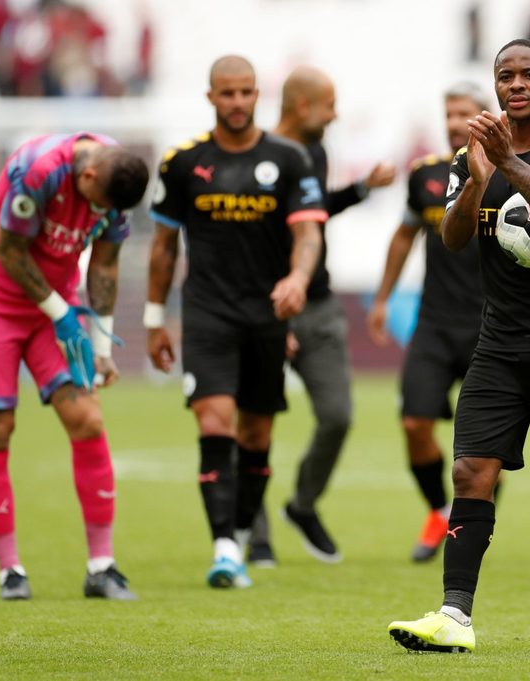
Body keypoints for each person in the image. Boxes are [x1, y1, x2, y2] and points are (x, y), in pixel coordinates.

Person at [388, 39, 530, 654]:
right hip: (498, 341)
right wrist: (474, 182)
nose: (516, 84)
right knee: (470, 470)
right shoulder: (471, 158)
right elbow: (455, 239)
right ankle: (454, 617)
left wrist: (508, 165)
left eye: (528, 74)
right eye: (505, 76)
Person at [145, 55, 324, 589]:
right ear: (211, 97)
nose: (238, 102)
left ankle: (242, 531)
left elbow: (309, 233)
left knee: (256, 434)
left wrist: (297, 278)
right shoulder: (182, 163)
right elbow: (161, 247)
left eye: (246, 92)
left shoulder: (289, 158)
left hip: (267, 316)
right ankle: (224, 545)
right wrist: (156, 319)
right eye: (228, 93)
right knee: (215, 422)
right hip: (207, 314)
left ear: (257, 95)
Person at [0, 132, 149, 600]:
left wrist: (101, 344)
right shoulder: (38, 171)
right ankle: (11, 572)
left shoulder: (116, 182)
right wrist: (63, 313)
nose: (99, 215)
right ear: (85, 176)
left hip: (53, 309)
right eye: (97, 204)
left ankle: (101, 567)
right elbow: (10, 251)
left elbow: (104, 263)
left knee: (87, 420)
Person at [255, 65, 395, 565]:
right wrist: (269, 315)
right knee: (255, 425)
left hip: (317, 303)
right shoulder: (257, 156)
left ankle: (303, 505)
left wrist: (360, 189)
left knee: (337, 416)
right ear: (302, 106)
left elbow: (310, 217)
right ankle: (254, 535)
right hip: (263, 309)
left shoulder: (313, 151)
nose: (336, 115)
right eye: (330, 104)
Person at [366, 83, 487, 563]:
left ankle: (469, 517)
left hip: (491, 325)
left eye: (465, 114)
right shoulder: (426, 175)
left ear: (485, 118)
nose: (455, 122)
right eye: (449, 113)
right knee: (415, 422)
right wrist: (381, 298)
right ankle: (439, 511)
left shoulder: (511, 173)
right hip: (434, 323)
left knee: (482, 445)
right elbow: (403, 236)